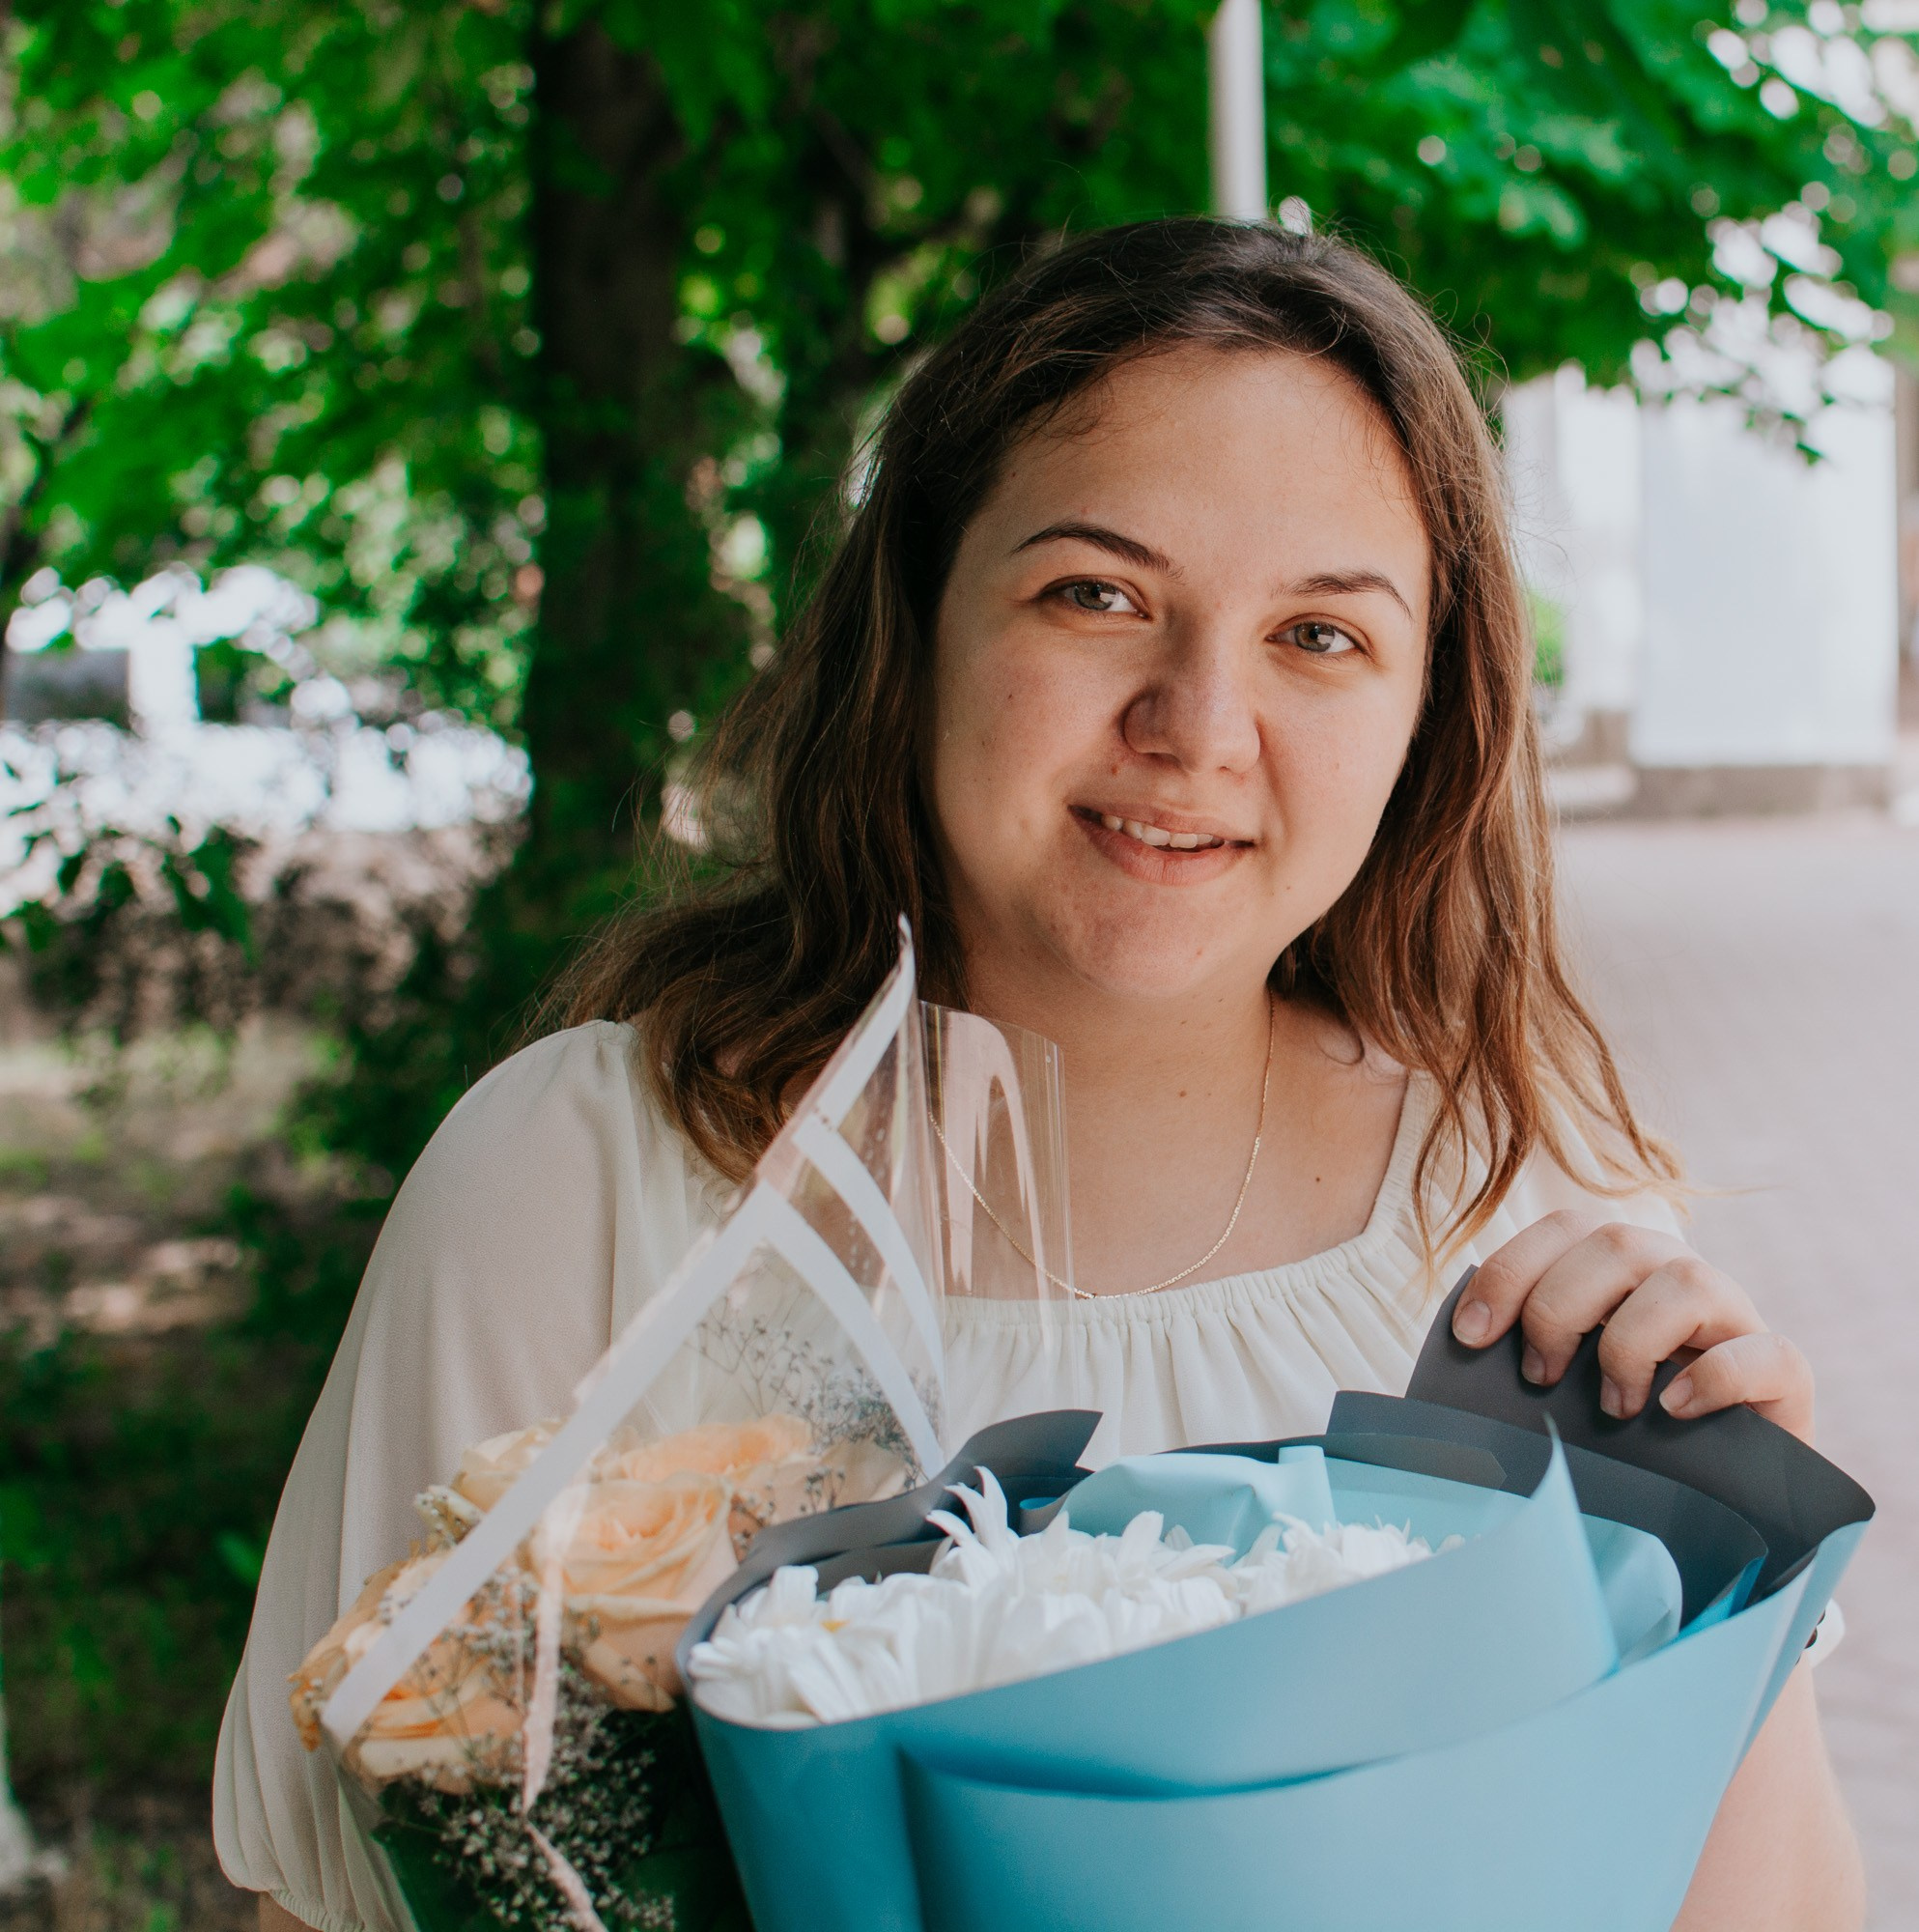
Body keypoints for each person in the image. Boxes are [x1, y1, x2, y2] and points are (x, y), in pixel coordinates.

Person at [219, 219, 1863, 1932]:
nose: (1199, 720)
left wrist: (1727, 1561)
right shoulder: (580, 1189)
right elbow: (344, 1897)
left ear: (1428, 713)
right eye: (1099, 594)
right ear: (919, 614)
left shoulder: (1534, 1226)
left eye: (1320, 636)